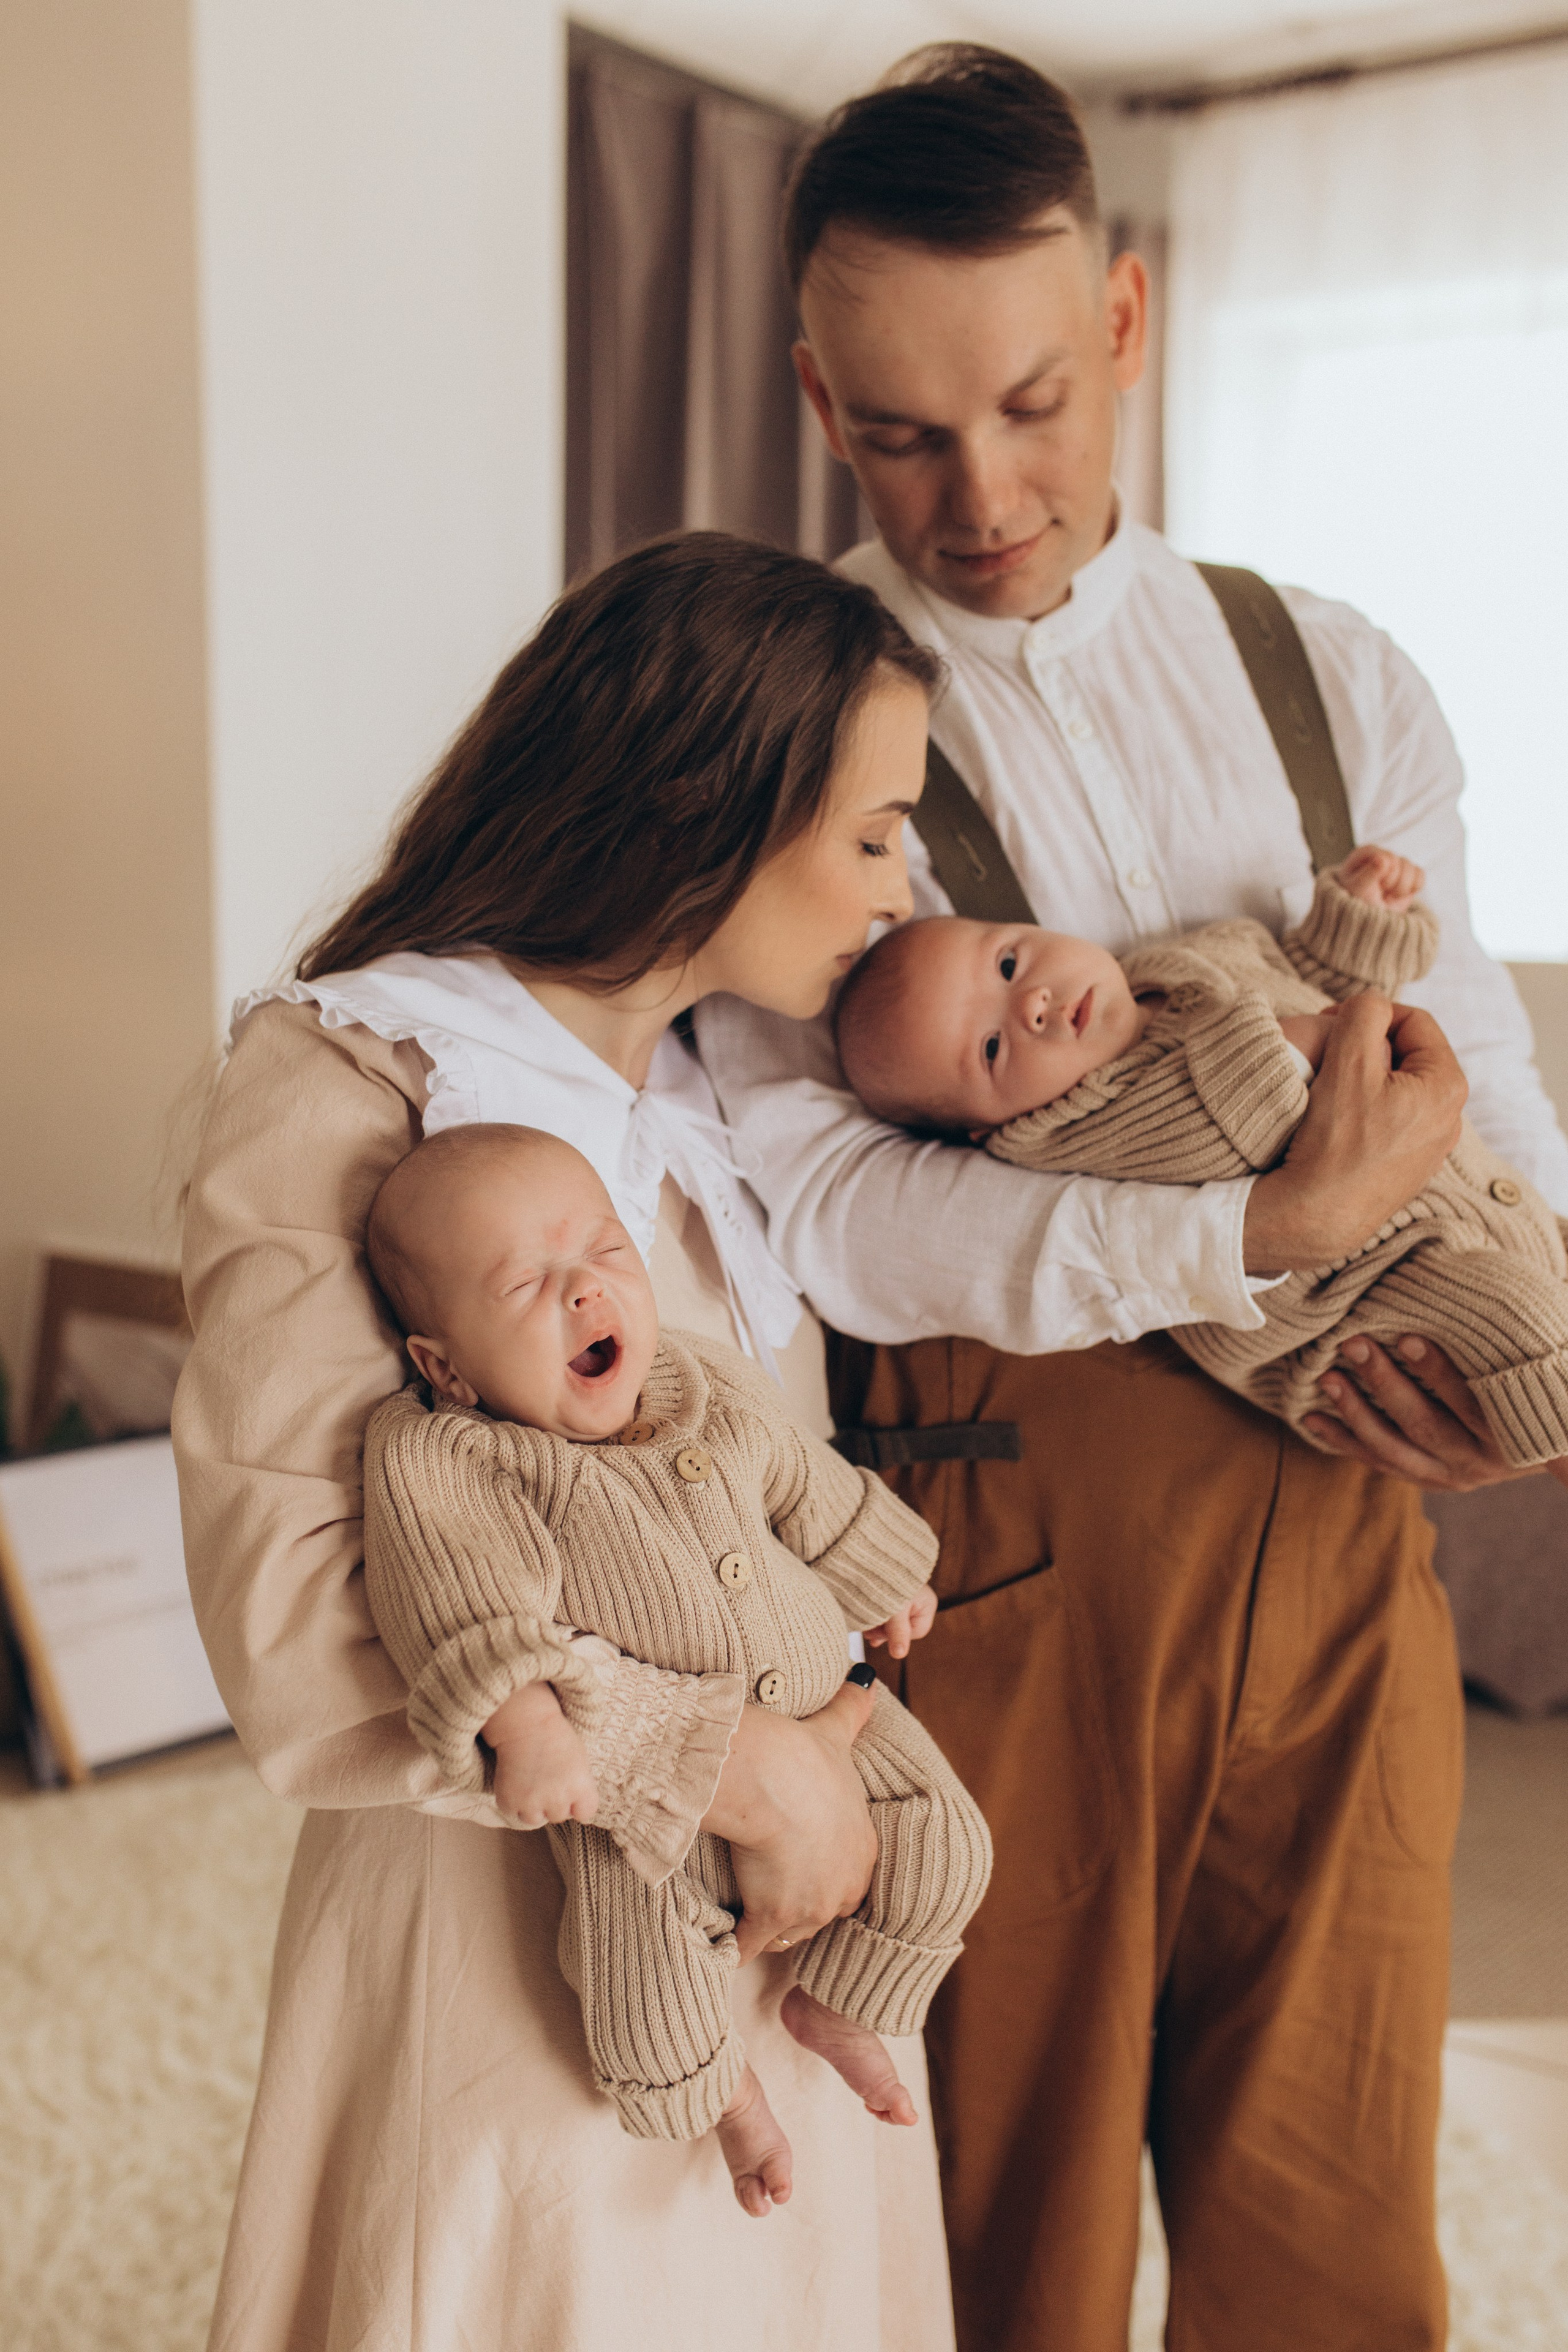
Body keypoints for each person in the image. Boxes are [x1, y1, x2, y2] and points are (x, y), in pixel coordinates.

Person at [694, 45, 1568, 2352]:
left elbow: (1480, 1070)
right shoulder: (778, 741)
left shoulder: (1333, 673)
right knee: (1007, 2251)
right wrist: (1235, 1242)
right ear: (810, 392)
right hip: (993, 1589)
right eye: (895, 434)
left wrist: (1510, 1357)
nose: (976, 492)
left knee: (1336, 2246)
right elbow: (811, 1209)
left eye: (1023, 405)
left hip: (1347, 1555)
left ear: (1122, 328)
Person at [173, 532, 963, 2352]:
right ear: (705, 808)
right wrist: (727, 1761)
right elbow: (300, 1642)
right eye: (865, 830)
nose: (895, 879)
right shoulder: (345, 1081)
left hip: (782, 1900)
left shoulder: (730, 1107)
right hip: (506, 1914)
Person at [356, 1123, 990, 2218]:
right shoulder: (453, 1457)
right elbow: (458, 1604)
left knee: (951, 1839)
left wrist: (881, 1571)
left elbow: (806, 1483)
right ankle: (727, 2100)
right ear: (446, 1366)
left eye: (606, 1253)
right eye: (525, 1284)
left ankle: (845, 2007)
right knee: (641, 1983)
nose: (586, 1294)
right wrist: (529, 1727)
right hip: (637, 1795)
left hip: (820, 1708)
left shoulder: (707, 1382)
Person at [835, 846, 1568, 1467]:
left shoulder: (1168, 970)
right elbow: (1264, 1097)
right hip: (1370, 1300)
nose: (1030, 1004)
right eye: (992, 1048)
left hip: (1473, 1220)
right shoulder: (1084, 1125)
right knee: (1522, 1317)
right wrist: (1333, 1031)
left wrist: (1358, 923)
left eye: (1005, 962)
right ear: (982, 1131)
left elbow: (1305, 986)